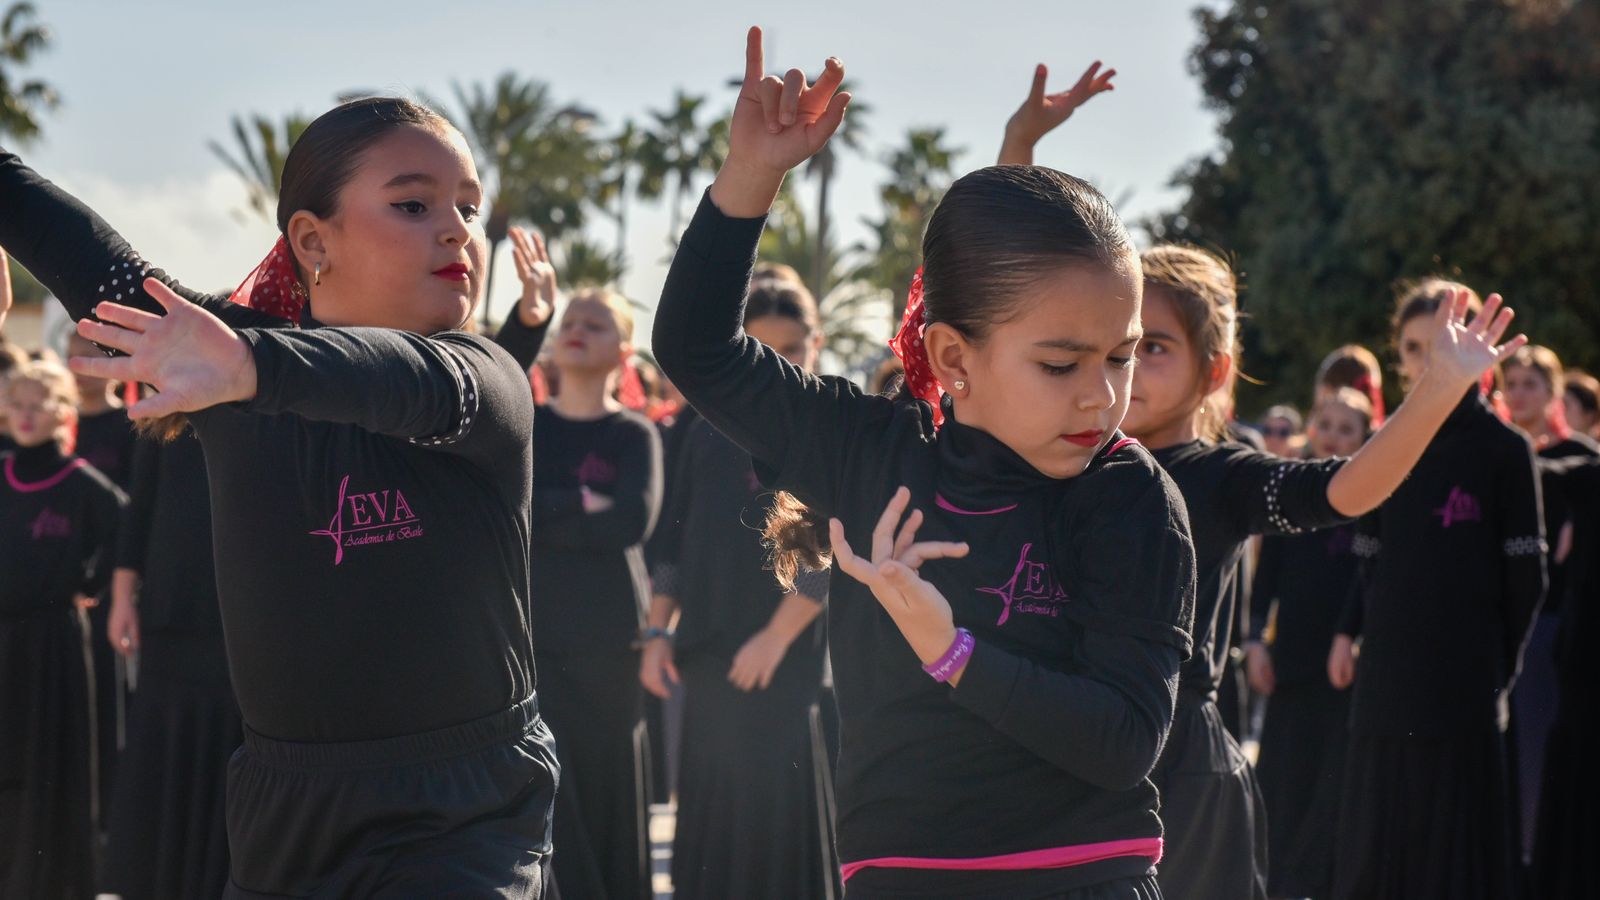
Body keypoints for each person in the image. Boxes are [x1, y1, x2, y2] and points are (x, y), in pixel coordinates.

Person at [655, 29, 1195, 898]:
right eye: (1061, 364)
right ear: (953, 357)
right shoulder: (870, 451)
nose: (1102, 397)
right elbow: (696, 349)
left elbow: (1126, 738)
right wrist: (750, 175)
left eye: (1122, 356)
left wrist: (952, 653)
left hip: (1084, 878)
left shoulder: (1131, 494)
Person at [0, 96, 560, 897]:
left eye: (467, 207)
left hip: (466, 814)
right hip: (284, 807)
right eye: (413, 203)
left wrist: (254, 368)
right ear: (310, 240)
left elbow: (413, 384)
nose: (458, 229)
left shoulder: (483, 377)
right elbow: (57, 232)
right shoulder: (220, 357)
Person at [998, 68, 1528, 898]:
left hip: (1182, 785)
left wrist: (1437, 391)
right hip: (1071, 757)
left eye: (1155, 347)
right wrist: (1021, 150)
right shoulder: (1062, 455)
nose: (1129, 367)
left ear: (1216, 371)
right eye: (1122, 344)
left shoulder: (1220, 476)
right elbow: (1011, 292)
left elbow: (1349, 490)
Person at [1331, 279, 1545, 900]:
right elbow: (1367, 558)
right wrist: (1356, 632)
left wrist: (1494, 672)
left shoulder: (1505, 451)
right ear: (1398, 358)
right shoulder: (1385, 443)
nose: (1432, 361)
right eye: (1415, 347)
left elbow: (1526, 580)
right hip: (1388, 689)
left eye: (1447, 343)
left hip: (1467, 693)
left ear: (1482, 351)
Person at [642, 277, 838, 899]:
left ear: (816, 344)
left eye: (792, 347)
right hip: (705, 652)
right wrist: (656, 633)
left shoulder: (830, 426)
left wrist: (775, 640)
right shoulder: (695, 431)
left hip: (783, 662)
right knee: (707, 817)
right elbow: (669, 541)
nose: (778, 363)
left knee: (777, 815)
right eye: (761, 347)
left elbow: (830, 550)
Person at [496, 252, 661, 900]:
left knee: (607, 787)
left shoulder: (635, 435)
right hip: (534, 641)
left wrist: (552, 506)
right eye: (572, 319)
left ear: (623, 349)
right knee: (550, 792)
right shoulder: (527, 427)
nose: (578, 330)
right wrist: (583, 502)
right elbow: (518, 512)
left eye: (596, 324)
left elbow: (633, 521)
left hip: (610, 646)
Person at [0, 357, 125, 899]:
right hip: (3, 638)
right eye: (17, 405)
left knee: (48, 760)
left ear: (62, 412)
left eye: (38, 406)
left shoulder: (81, 484)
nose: (26, 416)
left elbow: (126, 528)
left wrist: (92, 583)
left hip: (54, 642)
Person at [98, 426, 240, 899]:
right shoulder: (166, 408)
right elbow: (139, 508)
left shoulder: (277, 400)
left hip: (244, 619)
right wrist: (122, 598)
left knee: (230, 757)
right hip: (169, 615)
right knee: (162, 752)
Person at [1245, 388, 1372, 898]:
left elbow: (1369, 578)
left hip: (1343, 671)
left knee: (1331, 789)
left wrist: (1357, 638)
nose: (1335, 437)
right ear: (1311, 428)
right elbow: (1266, 576)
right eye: (1328, 425)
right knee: (1282, 783)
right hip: (1290, 664)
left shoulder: (1371, 496)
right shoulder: (1291, 490)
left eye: (1349, 429)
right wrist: (1255, 641)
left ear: (1365, 437)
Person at [1501, 344, 1597, 862]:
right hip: (1497, 624)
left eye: (1530, 385)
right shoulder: (1497, 452)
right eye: (1511, 383)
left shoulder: (1577, 458)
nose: (1519, 394)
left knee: (1538, 760)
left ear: (1553, 392)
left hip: (1551, 628)